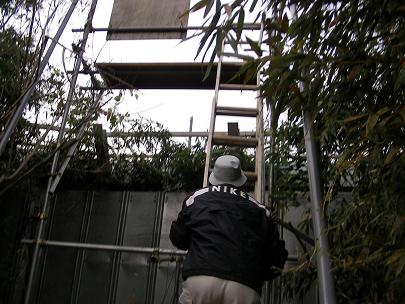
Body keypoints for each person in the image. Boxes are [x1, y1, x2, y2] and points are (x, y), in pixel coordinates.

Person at [170, 155, 288, 304]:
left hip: (201, 279)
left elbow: (179, 238)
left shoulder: (196, 198)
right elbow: (278, 258)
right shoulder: (261, 210)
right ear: (240, 181)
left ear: (214, 178)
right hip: (244, 287)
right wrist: (257, 273)